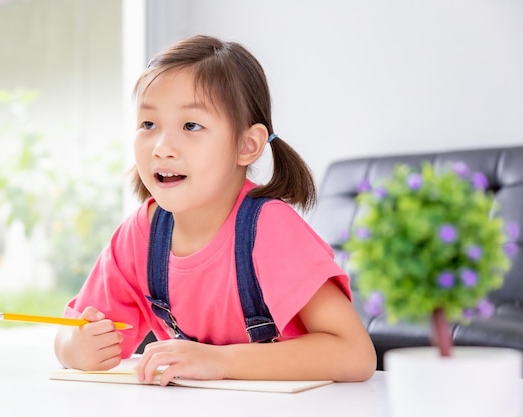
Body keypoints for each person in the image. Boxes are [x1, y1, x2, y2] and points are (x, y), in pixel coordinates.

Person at [54, 34, 376, 385]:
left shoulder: (269, 227)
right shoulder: (142, 234)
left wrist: (219, 361)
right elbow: (70, 331)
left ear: (247, 145)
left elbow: (355, 354)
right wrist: (75, 348)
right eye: (148, 124)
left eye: (191, 125)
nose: (161, 148)